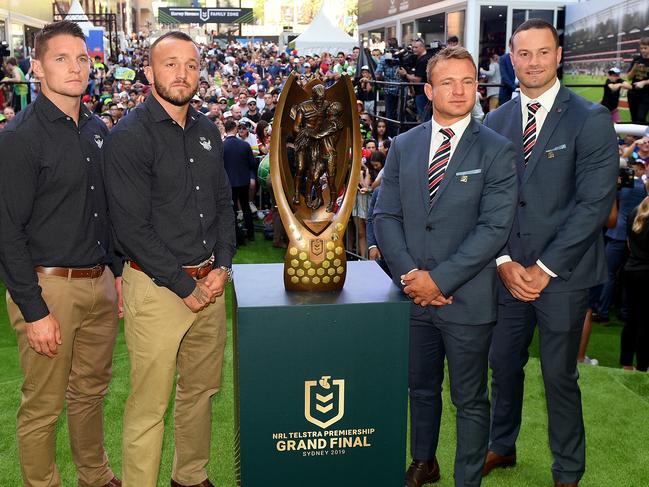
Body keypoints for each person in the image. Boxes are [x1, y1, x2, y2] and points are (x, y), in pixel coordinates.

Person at [482, 20, 619, 487]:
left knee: (559, 376)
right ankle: (501, 445)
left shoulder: (590, 118)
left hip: (563, 276)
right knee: (503, 366)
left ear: (559, 56)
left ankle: (568, 470)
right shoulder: (496, 120)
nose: (534, 62)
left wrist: (542, 268)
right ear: (511, 58)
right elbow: (489, 202)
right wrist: (503, 262)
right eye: (524, 53)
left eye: (543, 52)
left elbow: (594, 204)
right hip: (505, 272)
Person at [374, 46, 518, 487]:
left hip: (468, 300)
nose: (460, 91)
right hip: (414, 295)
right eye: (449, 82)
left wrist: (440, 280)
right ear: (429, 88)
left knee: (470, 398)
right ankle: (424, 461)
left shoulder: (497, 150)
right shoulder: (404, 144)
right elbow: (385, 216)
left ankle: (466, 478)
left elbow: (494, 229)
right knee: (420, 388)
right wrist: (412, 278)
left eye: (468, 81)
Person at [104, 31, 235, 487]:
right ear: (149, 72)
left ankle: (189, 475)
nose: (183, 74)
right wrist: (186, 287)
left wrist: (222, 268)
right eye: (171, 64)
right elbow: (131, 228)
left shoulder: (206, 131)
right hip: (158, 288)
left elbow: (223, 205)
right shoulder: (128, 136)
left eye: (192, 66)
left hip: (210, 285)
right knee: (149, 403)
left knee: (200, 393)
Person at [0, 20, 122, 487]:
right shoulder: (19, 138)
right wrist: (34, 311)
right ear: (36, 67)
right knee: (43, 404)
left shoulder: (95, 128)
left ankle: (95, 475)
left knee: (90, 393)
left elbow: (104, 211)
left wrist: (115, 275)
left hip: (98, 283)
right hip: (48, 287)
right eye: (61, 58)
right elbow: (6, 231)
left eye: (82, 59)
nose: (75, 67)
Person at [593, 160, 647, 323]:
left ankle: (602, 311)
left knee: (609, 273)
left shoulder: (623, 183)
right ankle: (625, 313)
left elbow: (611, 205)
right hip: (635, 235)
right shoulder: (643, 187)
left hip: (618, 232)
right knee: (625, 275)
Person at [621, 182, 649, 371]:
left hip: (632, 271)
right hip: (645, 273)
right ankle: (642, 366)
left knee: (633, 319)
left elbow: (628, 244)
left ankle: (626, 363)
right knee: (646, 322)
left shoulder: (635, 212)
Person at [224, 118, 257, 243]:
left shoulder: (222, 146)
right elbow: (252, 164)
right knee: (246, 207)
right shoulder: (244, 145)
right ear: (235, 129)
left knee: (231, 210)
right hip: (243, 181)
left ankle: (235, 236)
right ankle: (250, 233)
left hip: (229, 183)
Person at [399, 38, 431, 122]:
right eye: (412, 47)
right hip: (420, 92)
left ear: (422, 47)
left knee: (423, 117)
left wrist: (405, 74)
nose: (413, 49)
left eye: (416, 47)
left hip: (422, 93)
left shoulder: (424, 60)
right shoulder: (418, 59)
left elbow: (417, 80)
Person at [625, 37, 649, 124]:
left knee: (641, 118)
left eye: (645, 48)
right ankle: (635, 137)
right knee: (634, 118)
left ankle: (644, 137)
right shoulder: (636, 59)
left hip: (646, 94)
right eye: (641, 48)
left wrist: (644, 82)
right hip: (633, 93)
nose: (643, 50)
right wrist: (634, 68)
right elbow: (629, 77)